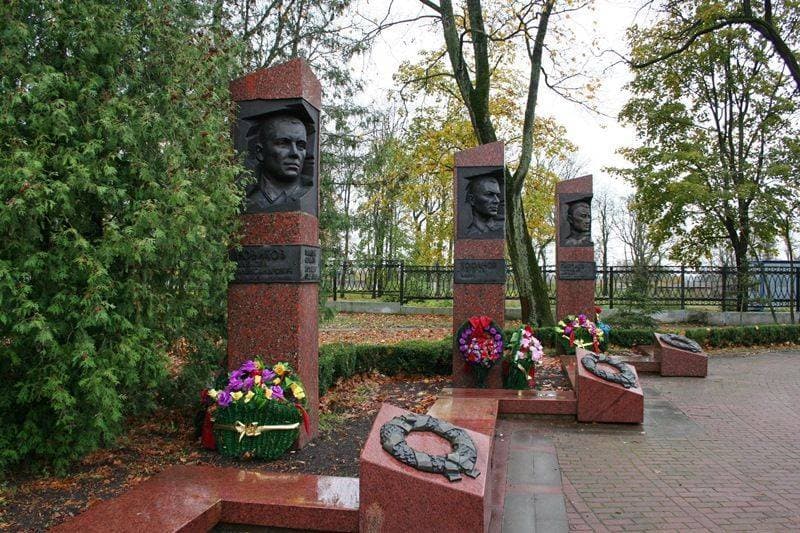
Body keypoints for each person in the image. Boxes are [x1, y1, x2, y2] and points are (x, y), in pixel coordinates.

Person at [245, 113, 312, 212]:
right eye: (283, 144)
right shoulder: (247, 197)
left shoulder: (308, 199)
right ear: (260, 152)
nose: (295, 153)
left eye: (300, 146)